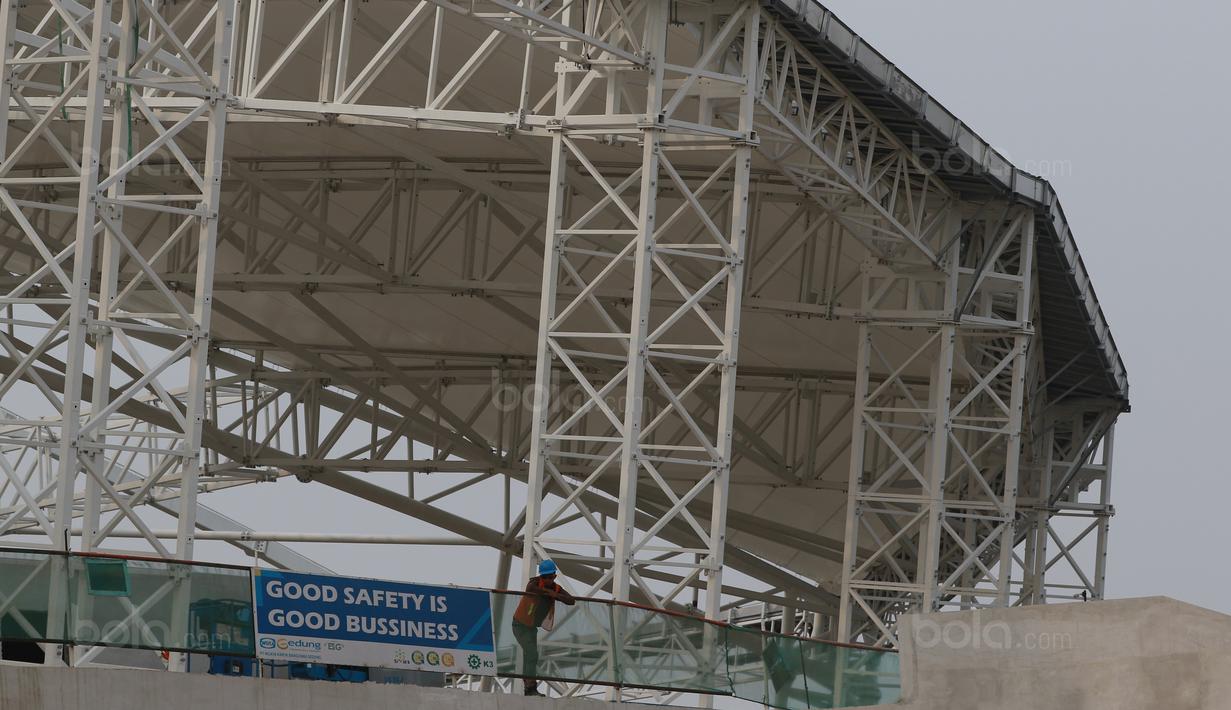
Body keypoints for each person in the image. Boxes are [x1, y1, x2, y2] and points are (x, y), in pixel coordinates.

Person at [511, 559, 575, 696]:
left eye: (550, 577)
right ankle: (530, 687)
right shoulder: (534, 583)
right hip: (520, 625)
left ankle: (529, 687)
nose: (547, 580)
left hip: (531, 627)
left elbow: (571, 600)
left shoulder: (556, 588)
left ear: (554, 576)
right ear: (541, 576)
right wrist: (552, 594)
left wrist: (556, 595)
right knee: (532, 654)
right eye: (544, 577)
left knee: (531, 655)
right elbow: (532, 589)